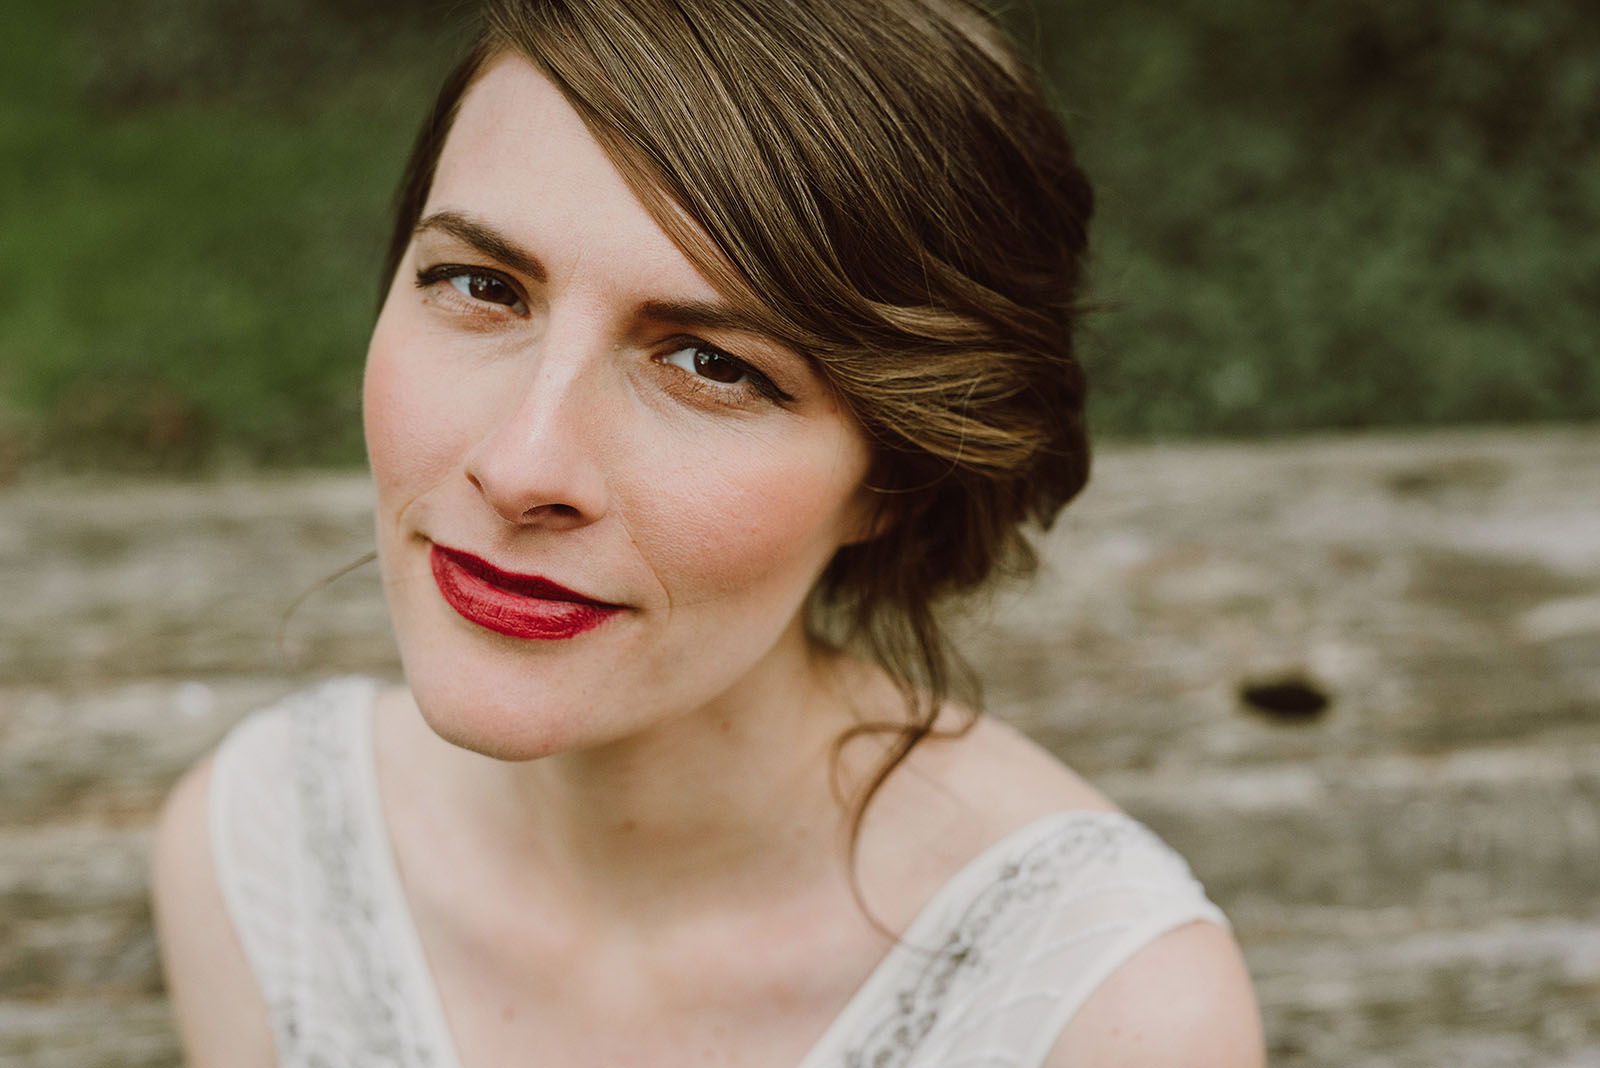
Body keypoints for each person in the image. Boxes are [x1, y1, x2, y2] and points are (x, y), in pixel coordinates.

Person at [151, 0, 1265, 1064]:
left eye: (712, 364)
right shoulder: (266, 853)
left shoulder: (1106, 1018)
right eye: (482, 285)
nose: (521, 464)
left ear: (903, 474)